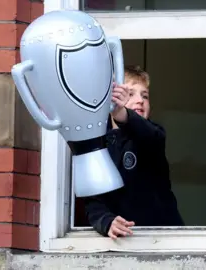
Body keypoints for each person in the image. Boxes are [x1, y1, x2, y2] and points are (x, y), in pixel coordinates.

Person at [84, 65, 184, 239]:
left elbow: (150, 135)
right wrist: (107, 222)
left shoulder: (153, 134)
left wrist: (121, 112)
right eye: (130, 94)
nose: (140, 100)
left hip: (163, 238)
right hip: (123, 241)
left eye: (144, 95)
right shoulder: (97, 144)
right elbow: (93, 200)